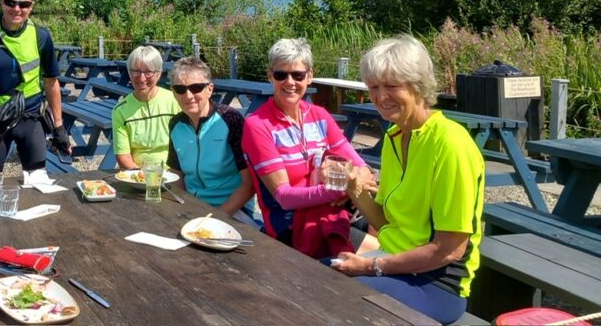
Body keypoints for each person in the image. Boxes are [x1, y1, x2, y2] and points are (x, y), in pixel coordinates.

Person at [330, 35, 485, 324]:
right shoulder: (395, 136)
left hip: (436, 284)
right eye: (374, 87)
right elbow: (387, 223)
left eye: (392, 86)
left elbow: (450, 249)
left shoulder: (450, 144)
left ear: (418, 85)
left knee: (331, 292)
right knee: (314, 272)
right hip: (395, 262)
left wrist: (371, 266)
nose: (380, 96)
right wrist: (354, 188)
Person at [241, 38, 370, 258]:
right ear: (270, 75)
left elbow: (361, 166)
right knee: (380, 252)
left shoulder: (319, 115)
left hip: (334, 210)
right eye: (281, 75)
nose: (290, 82)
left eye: (298, 75)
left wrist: (355, 181)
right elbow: (284, 197)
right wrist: (339, 191)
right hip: (291, 223)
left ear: (309, 76)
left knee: (391, 230)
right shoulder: (258, 125)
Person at [0, 0, 70, 173]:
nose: (16, 9)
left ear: (31, 7)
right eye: (10, 2)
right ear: (1, 3)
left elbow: (51, 82)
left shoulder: (41, 36)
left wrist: (59, 127)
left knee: (36, 182)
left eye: (24, 4)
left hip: (30, 117)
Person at [167, 56, 256, 223]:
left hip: (232, 209)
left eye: (195, 88)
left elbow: (249, 183)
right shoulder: (176, 124)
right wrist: (182, 206)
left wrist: (216, 217)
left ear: (210, 89)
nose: (188, 95)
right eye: (180, 89)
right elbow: (176, 173)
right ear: (173, 91)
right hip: (193, 207)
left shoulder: (231, 120)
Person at [112, 45, 180, 169]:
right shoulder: (120, 110)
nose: (142, 78)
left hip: (174, 172)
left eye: (148, 72)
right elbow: (123, 156)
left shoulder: (175, 102)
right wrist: (142, 177)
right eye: (136, 71)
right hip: (137, 173)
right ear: (129, 73)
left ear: (158, 74)